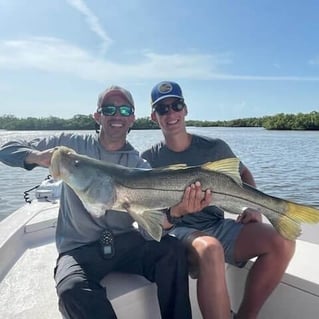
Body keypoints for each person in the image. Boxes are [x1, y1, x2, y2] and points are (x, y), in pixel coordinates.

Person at [0, 85, 193, 319]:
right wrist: (37, 157)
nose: (116, 115)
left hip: (126, 242)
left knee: (172, 251)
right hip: (79, 248)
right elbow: (5, 147)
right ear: (97, 115)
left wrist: (176, 213)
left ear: (132, 118)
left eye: (124, 110)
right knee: (72, 288)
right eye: (109, 108)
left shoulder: (138, 165)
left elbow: (147, 228)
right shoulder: (70, 146)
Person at [142, 81, 296, 319]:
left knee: (282, 240)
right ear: (154, 116)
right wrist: (179, 210)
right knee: (211, 248)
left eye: (176, 105)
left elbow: (243, 174)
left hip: (216, 225)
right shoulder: (147, 159)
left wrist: (254, 208)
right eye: (163, 109)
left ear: (185, 109)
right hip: (176, 230)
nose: (171, 113)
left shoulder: (215, 147)